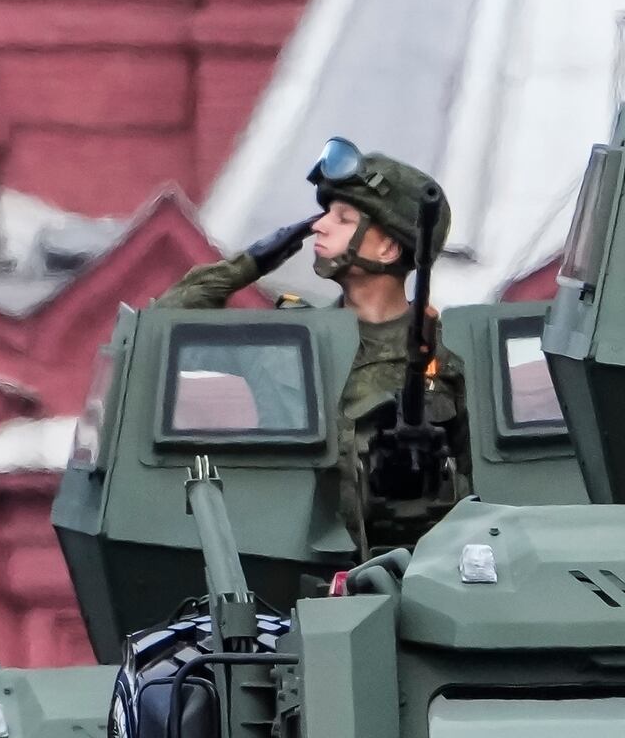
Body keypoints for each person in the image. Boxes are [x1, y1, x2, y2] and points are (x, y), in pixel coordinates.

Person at [170, 138, 469, 544]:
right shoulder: (288, 341)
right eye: (327, 213)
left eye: (343, 219)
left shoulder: (447, 356)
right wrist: (256, 259)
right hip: (294, 568)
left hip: (416, 571)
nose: (319, 225)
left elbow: (488, 486)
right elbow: (167, 324)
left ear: (387, 247)